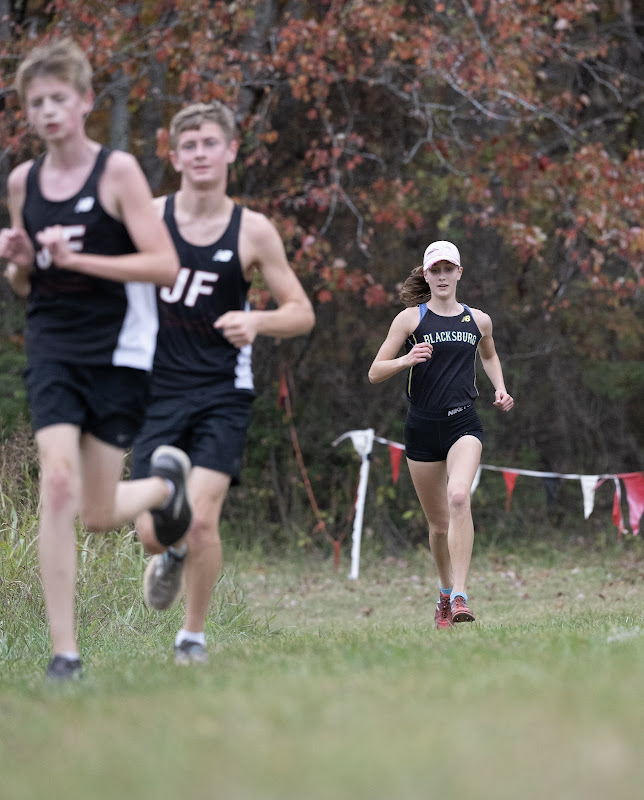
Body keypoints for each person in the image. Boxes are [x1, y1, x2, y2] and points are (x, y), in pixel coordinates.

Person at [0, 38, 194, 680]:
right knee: (57, 484)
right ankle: (65, 653)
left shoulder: (117, 173)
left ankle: (167, 489)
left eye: (59, 99)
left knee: (99, 512)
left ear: (84, 102)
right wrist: (21, 264)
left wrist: (78, 258)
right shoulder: (23, 182)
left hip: (118, 352)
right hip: (53, 344)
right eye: (36, 103)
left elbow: (164, 264)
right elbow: (24, 286)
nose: (48, 111)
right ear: (26, 112)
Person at [130, 101, 315, 664]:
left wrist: (257, 320)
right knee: (150, 533)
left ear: (231, 150)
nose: (200, 154)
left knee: (205, 517)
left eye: (210, 143)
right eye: (189, 146)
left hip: (221, 392)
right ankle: (170, 553)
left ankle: (192, 638)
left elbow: (301, 312)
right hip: (155, 389)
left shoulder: (252, 230)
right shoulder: (149, 218)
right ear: (174, 155)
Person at [368, 240, 514, 628]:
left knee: (459, 496)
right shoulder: (409, 320)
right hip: (421, 427)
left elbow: (489, 355)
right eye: (436, 270)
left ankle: (463, 596)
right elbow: (375, 371)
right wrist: (406, 358)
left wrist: (499, 387)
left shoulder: (478, 320)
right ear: (426, 274)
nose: (443, 275)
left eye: (450, 269)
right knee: (438, 525)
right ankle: (445, 593)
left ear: (459, 273)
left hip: (463, 422)